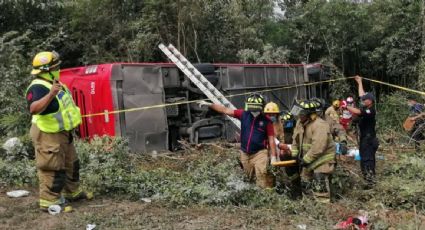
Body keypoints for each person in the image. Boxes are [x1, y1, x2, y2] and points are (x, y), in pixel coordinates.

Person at [26, 51, 93, 212]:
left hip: (63, 133)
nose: (59, 69)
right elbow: (33, 108)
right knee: (52, 167)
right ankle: (50, 202)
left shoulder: (54, 83)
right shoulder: (38, 87)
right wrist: (51, 95)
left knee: (72, 163)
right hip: (47, 133)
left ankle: (73, 193)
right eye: (56, 67)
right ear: (46, 70)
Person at [200, 93, 277, 188]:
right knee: (248, 179)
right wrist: (210, 105)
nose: (254, 111)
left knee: (262, 176)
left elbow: (271, 140)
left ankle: (267, 196)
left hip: (260, 153)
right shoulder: (243, 114)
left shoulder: (267, 121)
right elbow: (225, 110)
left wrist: (273, 157)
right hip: (245, 153)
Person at [285, 100, 336, 203]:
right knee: (306, 184)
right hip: (309, 160)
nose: (299, 116)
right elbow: (295, 140)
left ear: (310, 115)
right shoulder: (300, 123)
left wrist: (305, 160)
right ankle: (309, 205)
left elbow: (318, 147)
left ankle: (323, 207)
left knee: (319, 183)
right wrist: (294, 156)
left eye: (302, 114)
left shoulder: (320, 125)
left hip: (322, 160)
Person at [345, 75, 379, 189]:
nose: (363, 100)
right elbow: (362, 95)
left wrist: (347, 106)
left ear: (370, 101)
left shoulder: (370, 110)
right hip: (365, 139)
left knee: (368, 161)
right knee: (364, 160)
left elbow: (358, 111)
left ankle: (370, 182)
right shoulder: (367, 106)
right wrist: (359, 82)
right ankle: (367, 181)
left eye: (365, 100)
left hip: (369, 140)